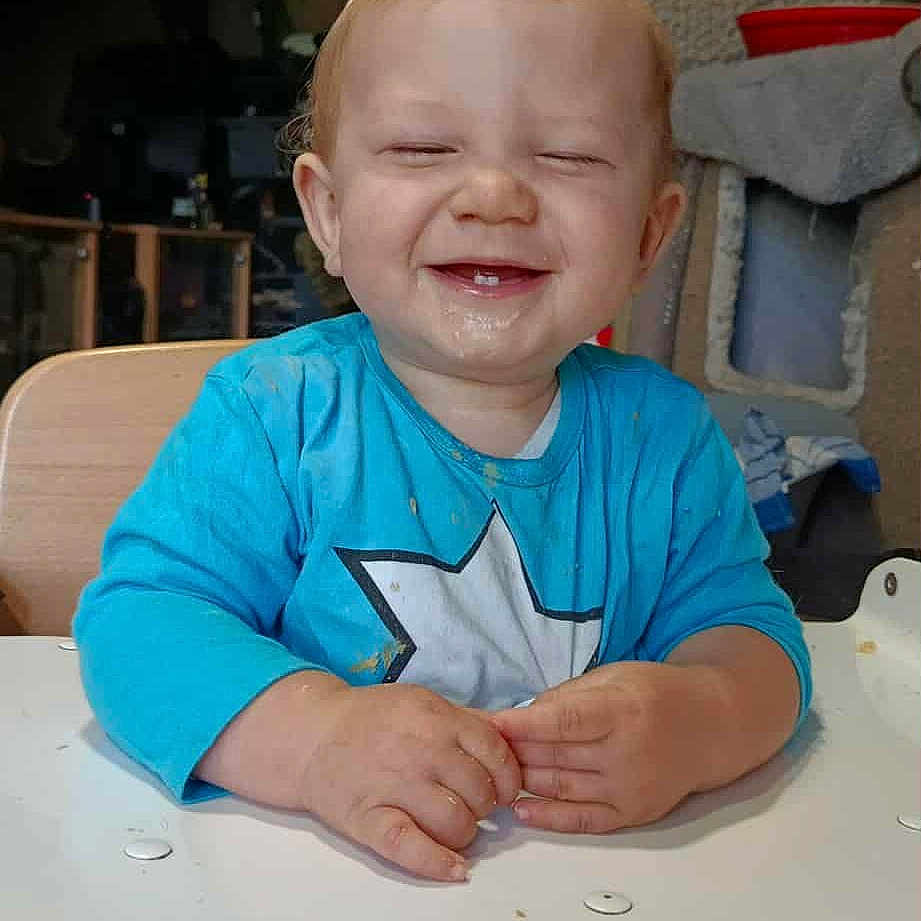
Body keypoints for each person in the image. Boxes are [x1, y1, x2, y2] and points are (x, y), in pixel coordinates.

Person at [74, 0, 812, 884]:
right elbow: (137, 621)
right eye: (424, 148)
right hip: (308, 876)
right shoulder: (274, 412)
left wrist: (704, 715)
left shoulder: (666, 440)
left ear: (649, 234)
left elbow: (752, 632)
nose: (495, 195)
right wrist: (312, 739)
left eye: (568, 155)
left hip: (595, 879)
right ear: (330, 209)